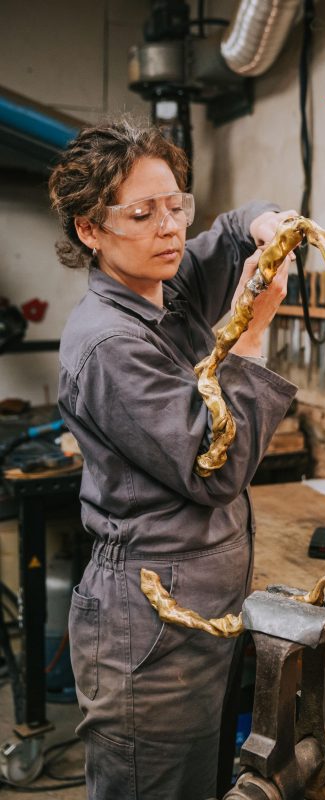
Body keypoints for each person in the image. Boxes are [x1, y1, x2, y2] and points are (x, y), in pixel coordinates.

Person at [49, 119, 298, 800]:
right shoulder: (107, 344)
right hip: (149, 629)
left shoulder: (165, 277)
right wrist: (248, 336)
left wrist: (267, 223)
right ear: (90, 230)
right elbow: (212, 467)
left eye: (174, 204)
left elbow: (230, 229)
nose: (168, 229)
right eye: (141, 212)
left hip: (201, 612)